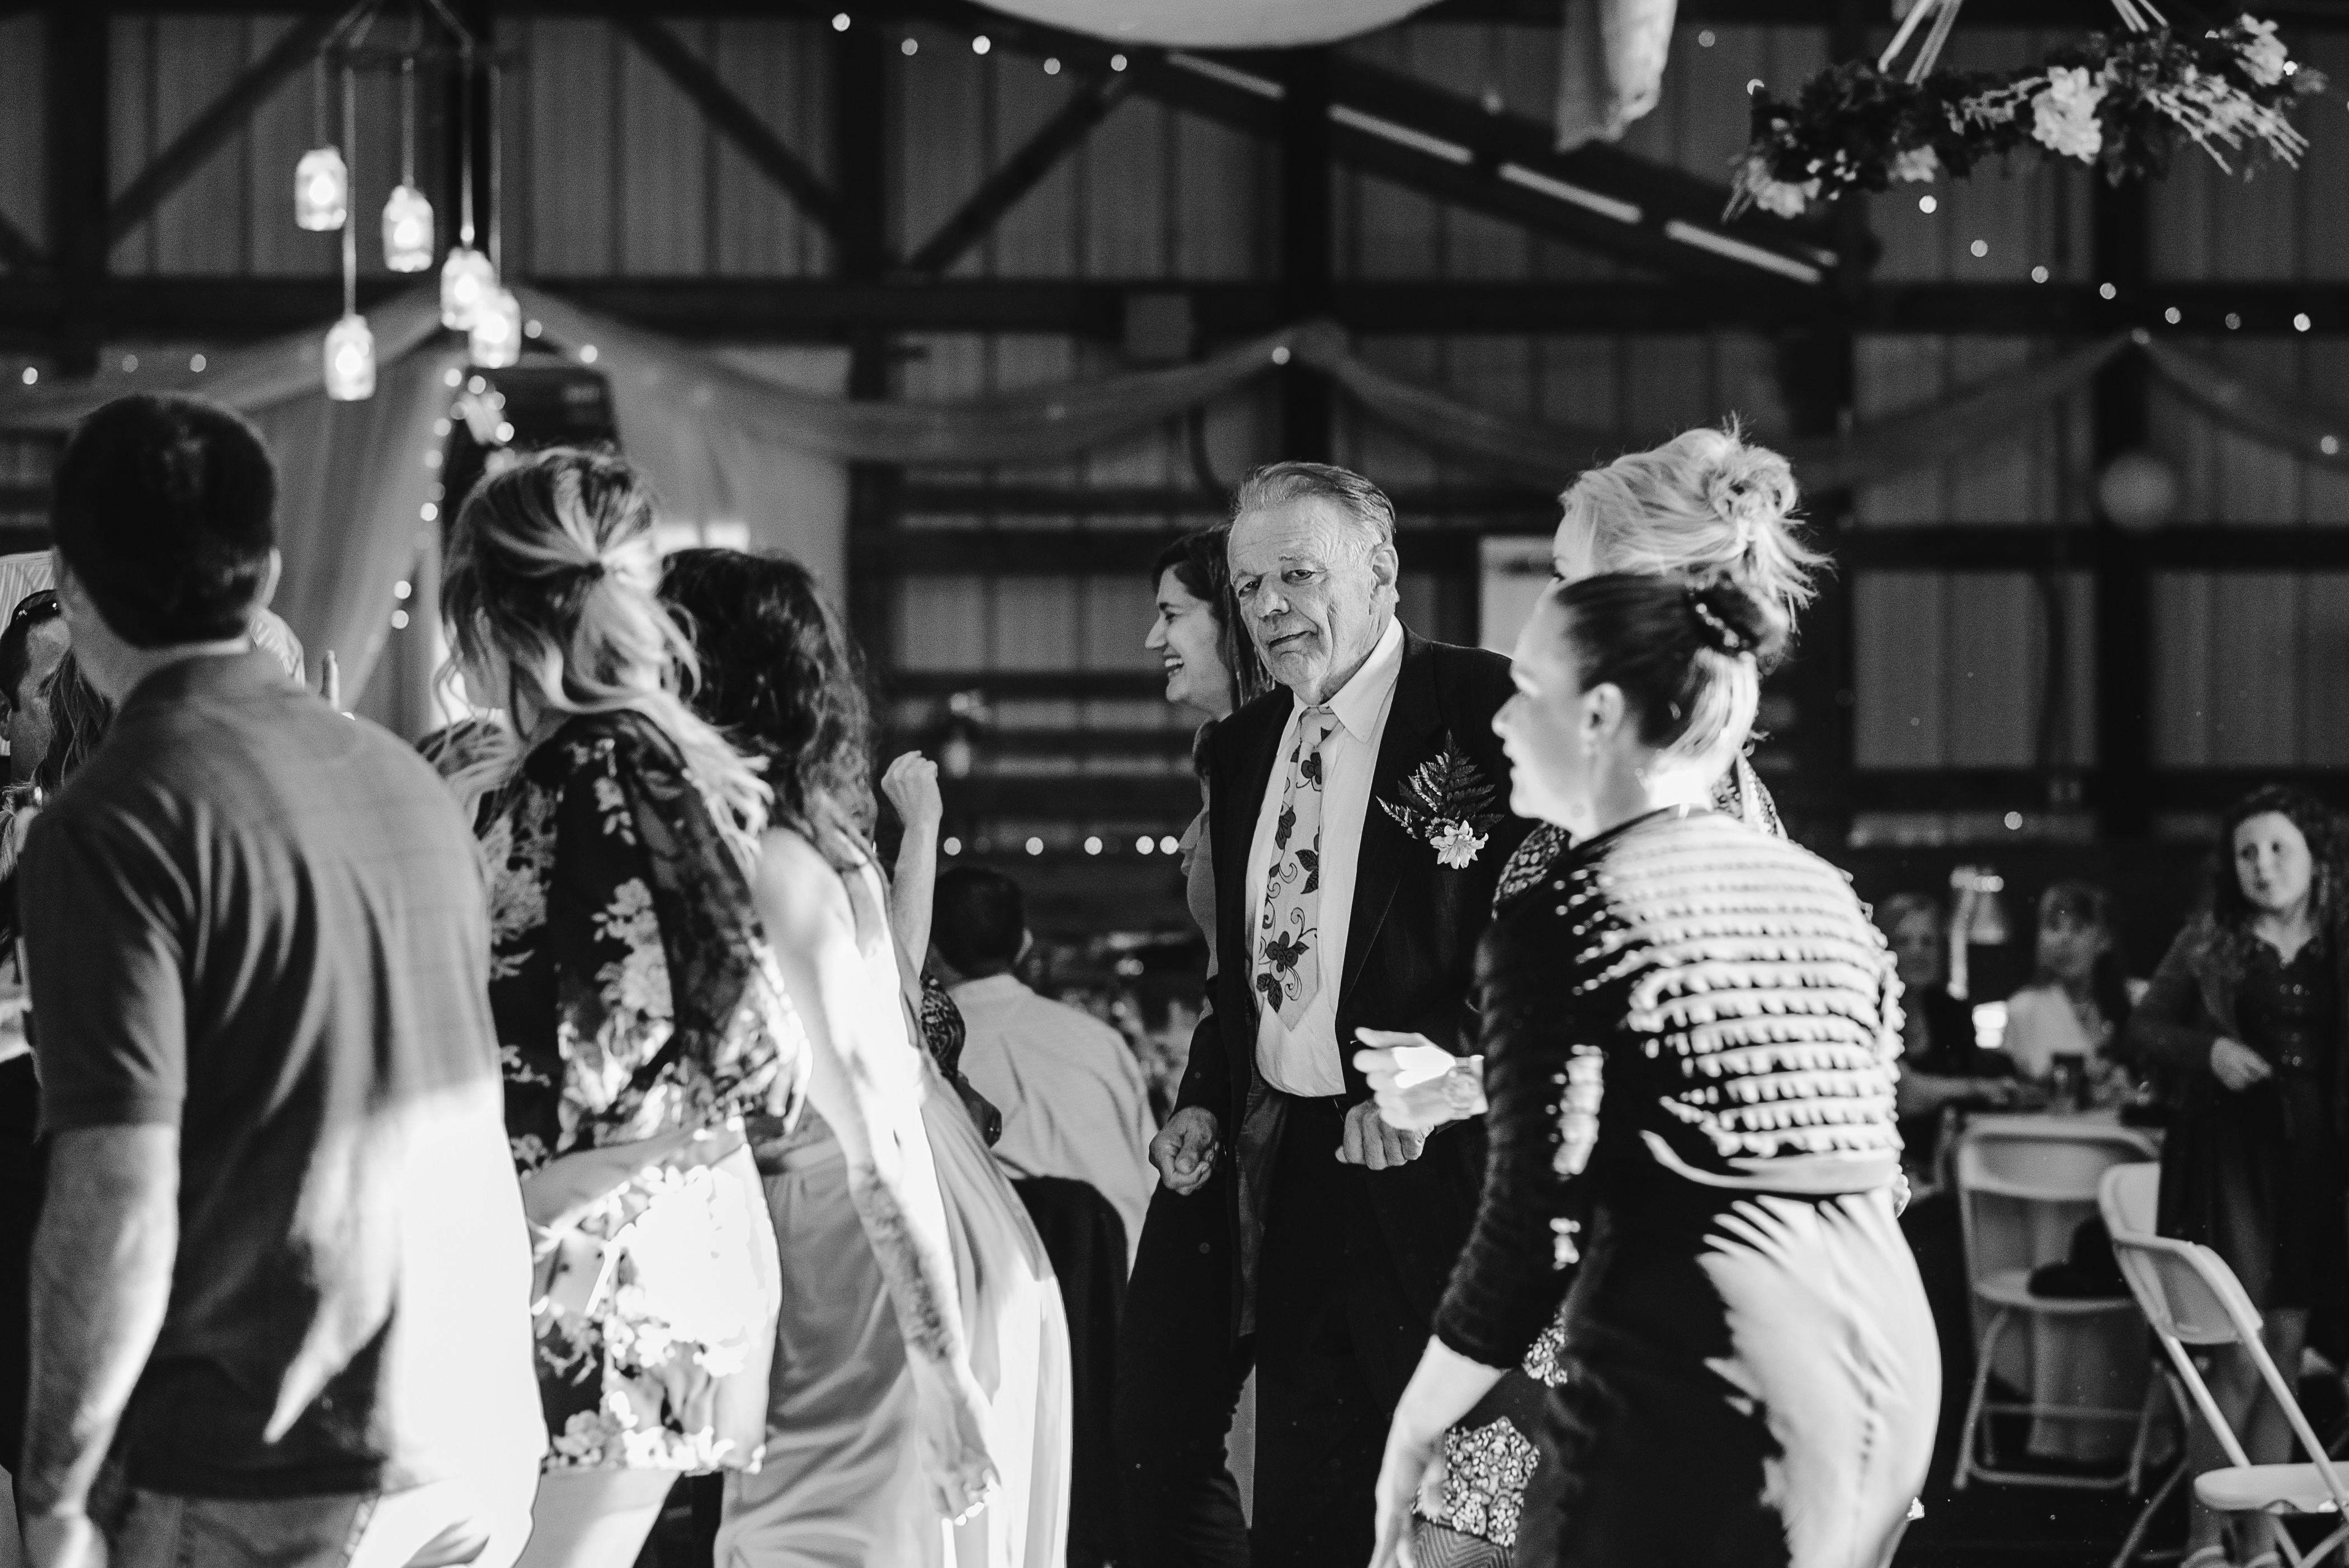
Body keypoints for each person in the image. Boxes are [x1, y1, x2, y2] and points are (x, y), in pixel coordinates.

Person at [17, 394, 544, 1568]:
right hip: (476, 1422)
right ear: (267, 571)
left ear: (74, 583)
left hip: (280, 1453)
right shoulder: (403, 780)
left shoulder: (118, 816)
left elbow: (119, 1192)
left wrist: (53, 1487)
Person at [1362, 571, 1936, 1568]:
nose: (1502, 720)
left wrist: (1415, 1426)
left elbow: (1533, 1232)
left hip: (1703, 1366)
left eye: (1527, 690)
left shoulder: (1568, 912)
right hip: (1879, 1361)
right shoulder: (1821, 892)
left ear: (1597, 715)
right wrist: (1465, 1083)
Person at [1136, 462, 1531, 1567]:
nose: (1269, 607)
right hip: (1302, 1179)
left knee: (1462, 1526)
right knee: (1306, 1516)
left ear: (1381, 570)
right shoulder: (1243, 747)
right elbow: (1244, 972)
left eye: (1298, 575)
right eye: (1248, 584)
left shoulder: (1489, 709)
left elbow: (1548, 943)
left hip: (1453, 1178)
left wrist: (1440, 1073)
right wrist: (1207, 1095)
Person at [660, 546, 1068, 1568]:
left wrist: (942, 1367)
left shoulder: (766, 854)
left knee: (821, 1529)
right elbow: (894, 992)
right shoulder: (819, 835)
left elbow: (870, 1117)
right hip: (930, 1199)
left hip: (855, 1232)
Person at [442, 451, 810, 1568]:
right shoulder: (571, 766)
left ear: (480, 611)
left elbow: (733, 1053)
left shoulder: (605, 769)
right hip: (582, 1259)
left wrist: (507, 1213)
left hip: (606, 1267)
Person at [2121, 787, 2349, 1568]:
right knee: (2239, 1356)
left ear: (2316, 858)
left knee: (2285, 1351)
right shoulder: (2209, 938)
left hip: (2315, 1159)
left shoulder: (2340, 939)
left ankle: (2257, 1547)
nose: (2262, 864)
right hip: (2231, 1158)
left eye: (2280, 848)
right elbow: (2144, 1026)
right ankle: (2202, 1544)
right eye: (2247, 851)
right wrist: (2208, 1051)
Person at [1116, 526, 1266, 1568]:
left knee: (1167, 1429)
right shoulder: (1223, 754)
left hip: (1286, 1114)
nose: (1152, 637)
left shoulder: (1287, 755)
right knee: (1157, 1425)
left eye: (1174, 613)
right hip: (1228, 1098)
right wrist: (1200, 1095)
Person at [931, 866, 1157, 1265]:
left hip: (998, 1281)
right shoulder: (1101, 1041)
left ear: (928, 950)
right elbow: (1153, 1174)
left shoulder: (927, 1053)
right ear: (1024, 944)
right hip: (1125, 1275)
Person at [2003, 880, 2138, 1093]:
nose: (2064, 940)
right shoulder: (2022, 1008)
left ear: (2104, 940)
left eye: (2078, 928)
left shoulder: (2134, 1000)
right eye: (2053, 927)